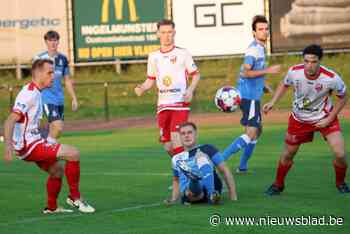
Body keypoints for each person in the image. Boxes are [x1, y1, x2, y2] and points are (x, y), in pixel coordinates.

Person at [3, 59, 95, 213]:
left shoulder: (37, 92)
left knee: (57, 171)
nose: (54, 76)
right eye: (50, 73)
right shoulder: (29, 94)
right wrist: (7, 146)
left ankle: (51, 208)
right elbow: (9, 120)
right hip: (29, 146)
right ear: (38, 74)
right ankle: (75, 198)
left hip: (33, 142)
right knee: (73, 153)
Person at [263, 44, 349, 195]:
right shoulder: (294, 72)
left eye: (313, 61)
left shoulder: (331, 78)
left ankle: (340, 183)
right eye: (306, 61)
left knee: (340, 154)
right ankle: (278, 184)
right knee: (287, 155)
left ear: (320, 61)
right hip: (299, 119)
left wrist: (330, 118)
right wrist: (272, 102)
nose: (309, 65)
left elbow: (343, 97)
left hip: (324, 118)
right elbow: (284, 84)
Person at [221, 15, 281, 173]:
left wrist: (263, 86)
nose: (264, 32)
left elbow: (249, 72)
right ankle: (220, 159)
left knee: (257, 130)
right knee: (251, 132)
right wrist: (268, 70)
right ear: (254, 32)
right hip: (249, 98)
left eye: (266, 29)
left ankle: (242, 166)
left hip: (251, 96)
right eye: (260, 29)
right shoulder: (254, 49)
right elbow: (246, 72)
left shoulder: (260, 48)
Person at [134, 19, 200, 161]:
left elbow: (196, 75)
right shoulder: (153, 56)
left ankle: (184, 179)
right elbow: (150, 80)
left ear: (174, 33)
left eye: (169, 32)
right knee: (168, 146)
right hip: (163, 105)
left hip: (180, 103)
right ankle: (188, 167)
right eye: (163, 32)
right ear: (158, 34)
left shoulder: (183, 53)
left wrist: (190, 91)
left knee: (177, 139)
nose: (167, 35)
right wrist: (142, 88)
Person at [165, 122, 238, 205]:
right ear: (180, 137)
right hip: (190, 194)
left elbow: (225, 170)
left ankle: (209, 192)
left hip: (212, 185)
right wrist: (174, 199)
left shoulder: (208, 148)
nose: (186, 136)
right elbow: (176, 180)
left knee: (201, 155)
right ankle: (194, 180)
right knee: (192, 190)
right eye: (183, 134)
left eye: (189, 132)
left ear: (196, 134)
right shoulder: (176, 158)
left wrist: (233, 196)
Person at [34, 30, 78, 145]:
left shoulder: (62, 59)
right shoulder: (39, 59)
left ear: (58, 42)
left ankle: (44, 143)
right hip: (46, 98)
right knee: (57, 125)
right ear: (46, 42)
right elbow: (35, 80)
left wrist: (73, 98)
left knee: (57, 129)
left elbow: (67, 80)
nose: (53, 43)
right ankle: (46, 147)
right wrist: (34, 97)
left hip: (59, 99)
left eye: (55, 40)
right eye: (50, 41)